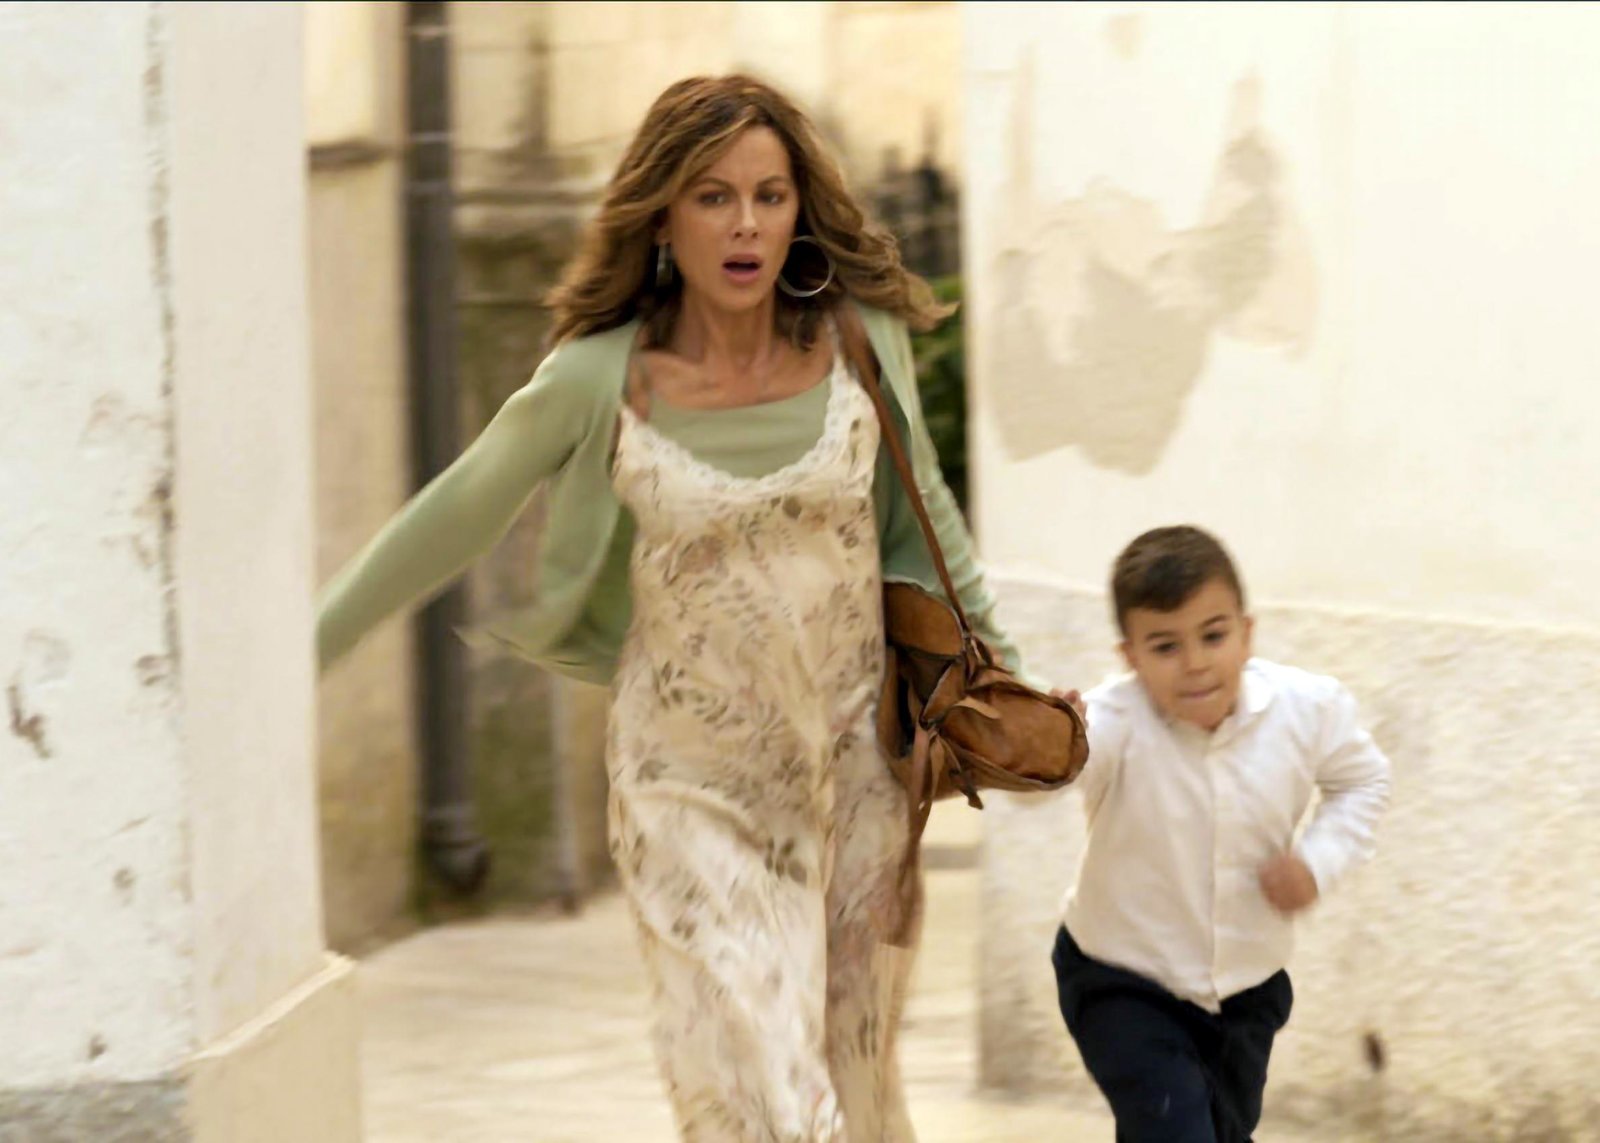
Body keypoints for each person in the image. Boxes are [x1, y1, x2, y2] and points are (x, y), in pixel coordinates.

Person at [316, 74, 1023, 1142]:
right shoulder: (599, 376)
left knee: (860, 1078)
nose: (746, 226)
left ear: (799, 210)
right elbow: (456, 511)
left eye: (770, 196)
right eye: (712, 195)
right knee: (759, 1070)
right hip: (688, 787)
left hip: (855, 776)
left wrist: (1005, 675)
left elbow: (921, 525)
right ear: (660, 215)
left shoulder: (858, 343)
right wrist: (310, 642)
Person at [1050, 525, 1390, 1143]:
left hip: (1246, 990)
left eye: (1213, 635)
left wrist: (1317, 862)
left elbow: (1363, 781)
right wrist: (1045, 744)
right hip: (1121, 979)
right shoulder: (1108, 722)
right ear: (1130, 656)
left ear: (1246, 632)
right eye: (1165, 646)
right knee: (1175, 1128)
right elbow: (1052, 776)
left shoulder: (1307, 709)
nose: (1196, 663)